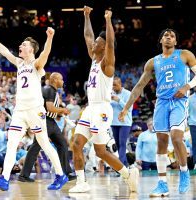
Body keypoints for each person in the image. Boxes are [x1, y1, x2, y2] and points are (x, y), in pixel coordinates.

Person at [0, 27, 68, 191]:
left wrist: (50, 38)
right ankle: (5, 179)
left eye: (23, 44)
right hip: (20, 111)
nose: (20, 46)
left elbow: (45, 54)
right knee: (12, 143)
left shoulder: (36, 64)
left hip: (35, 110)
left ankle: (60, 175)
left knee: (44, 143)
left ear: (31, 49)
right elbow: (4, 52)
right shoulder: (19, 63)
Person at [119, 28, 196, 197]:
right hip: (161, 103)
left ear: (175, 42)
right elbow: (139, 86)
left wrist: (187, 86)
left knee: (176, 137)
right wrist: (126, 107)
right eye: (166, 36)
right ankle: (162, 184)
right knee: (161, 141)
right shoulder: (153, 62)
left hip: (179, 102)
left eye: (172, 36)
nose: (169, 37)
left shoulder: (185, 55)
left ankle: (184, 172)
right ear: (161, 40)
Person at [69, 7, 138, 193]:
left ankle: (127, 174)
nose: (93, 44)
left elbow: (110, 42)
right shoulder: (93, 58)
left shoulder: (107, 64)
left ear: (104, 46)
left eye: (98, 43)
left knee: (101, 151)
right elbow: (87, 35)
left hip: (102, 109)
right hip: (90, 108)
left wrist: (108, 21)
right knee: (76, 144)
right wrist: (86, 16)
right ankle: (82, 182)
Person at [18, 72, 76, 182]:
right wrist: (62, 110)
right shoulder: (49, 90)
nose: (63, 81)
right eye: (61, 79)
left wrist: (59, 112)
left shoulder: (52, 90)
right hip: (45, 122)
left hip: (50, 122)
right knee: (36, 147)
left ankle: (66, 173)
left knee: (62, 144)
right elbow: (49, 108)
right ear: (55, 80)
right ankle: (23, 175)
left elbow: (50, 109)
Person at [111, 76, 132, 166]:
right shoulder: (110, 93)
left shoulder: (128, 93)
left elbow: (129, 108)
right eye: (112, 85)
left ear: (120, 84)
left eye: (115, 85)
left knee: (122, 144)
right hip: (113, 122)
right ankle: (125, 165)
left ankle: (120, 166)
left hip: (125, 123)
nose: (113, 87)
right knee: (118, 145)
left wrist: (119, 100)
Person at [188, 89, 196, 168]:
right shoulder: (190, 99)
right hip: (193, 124)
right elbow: (187, 111)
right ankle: (195, 163)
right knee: (195, 143)